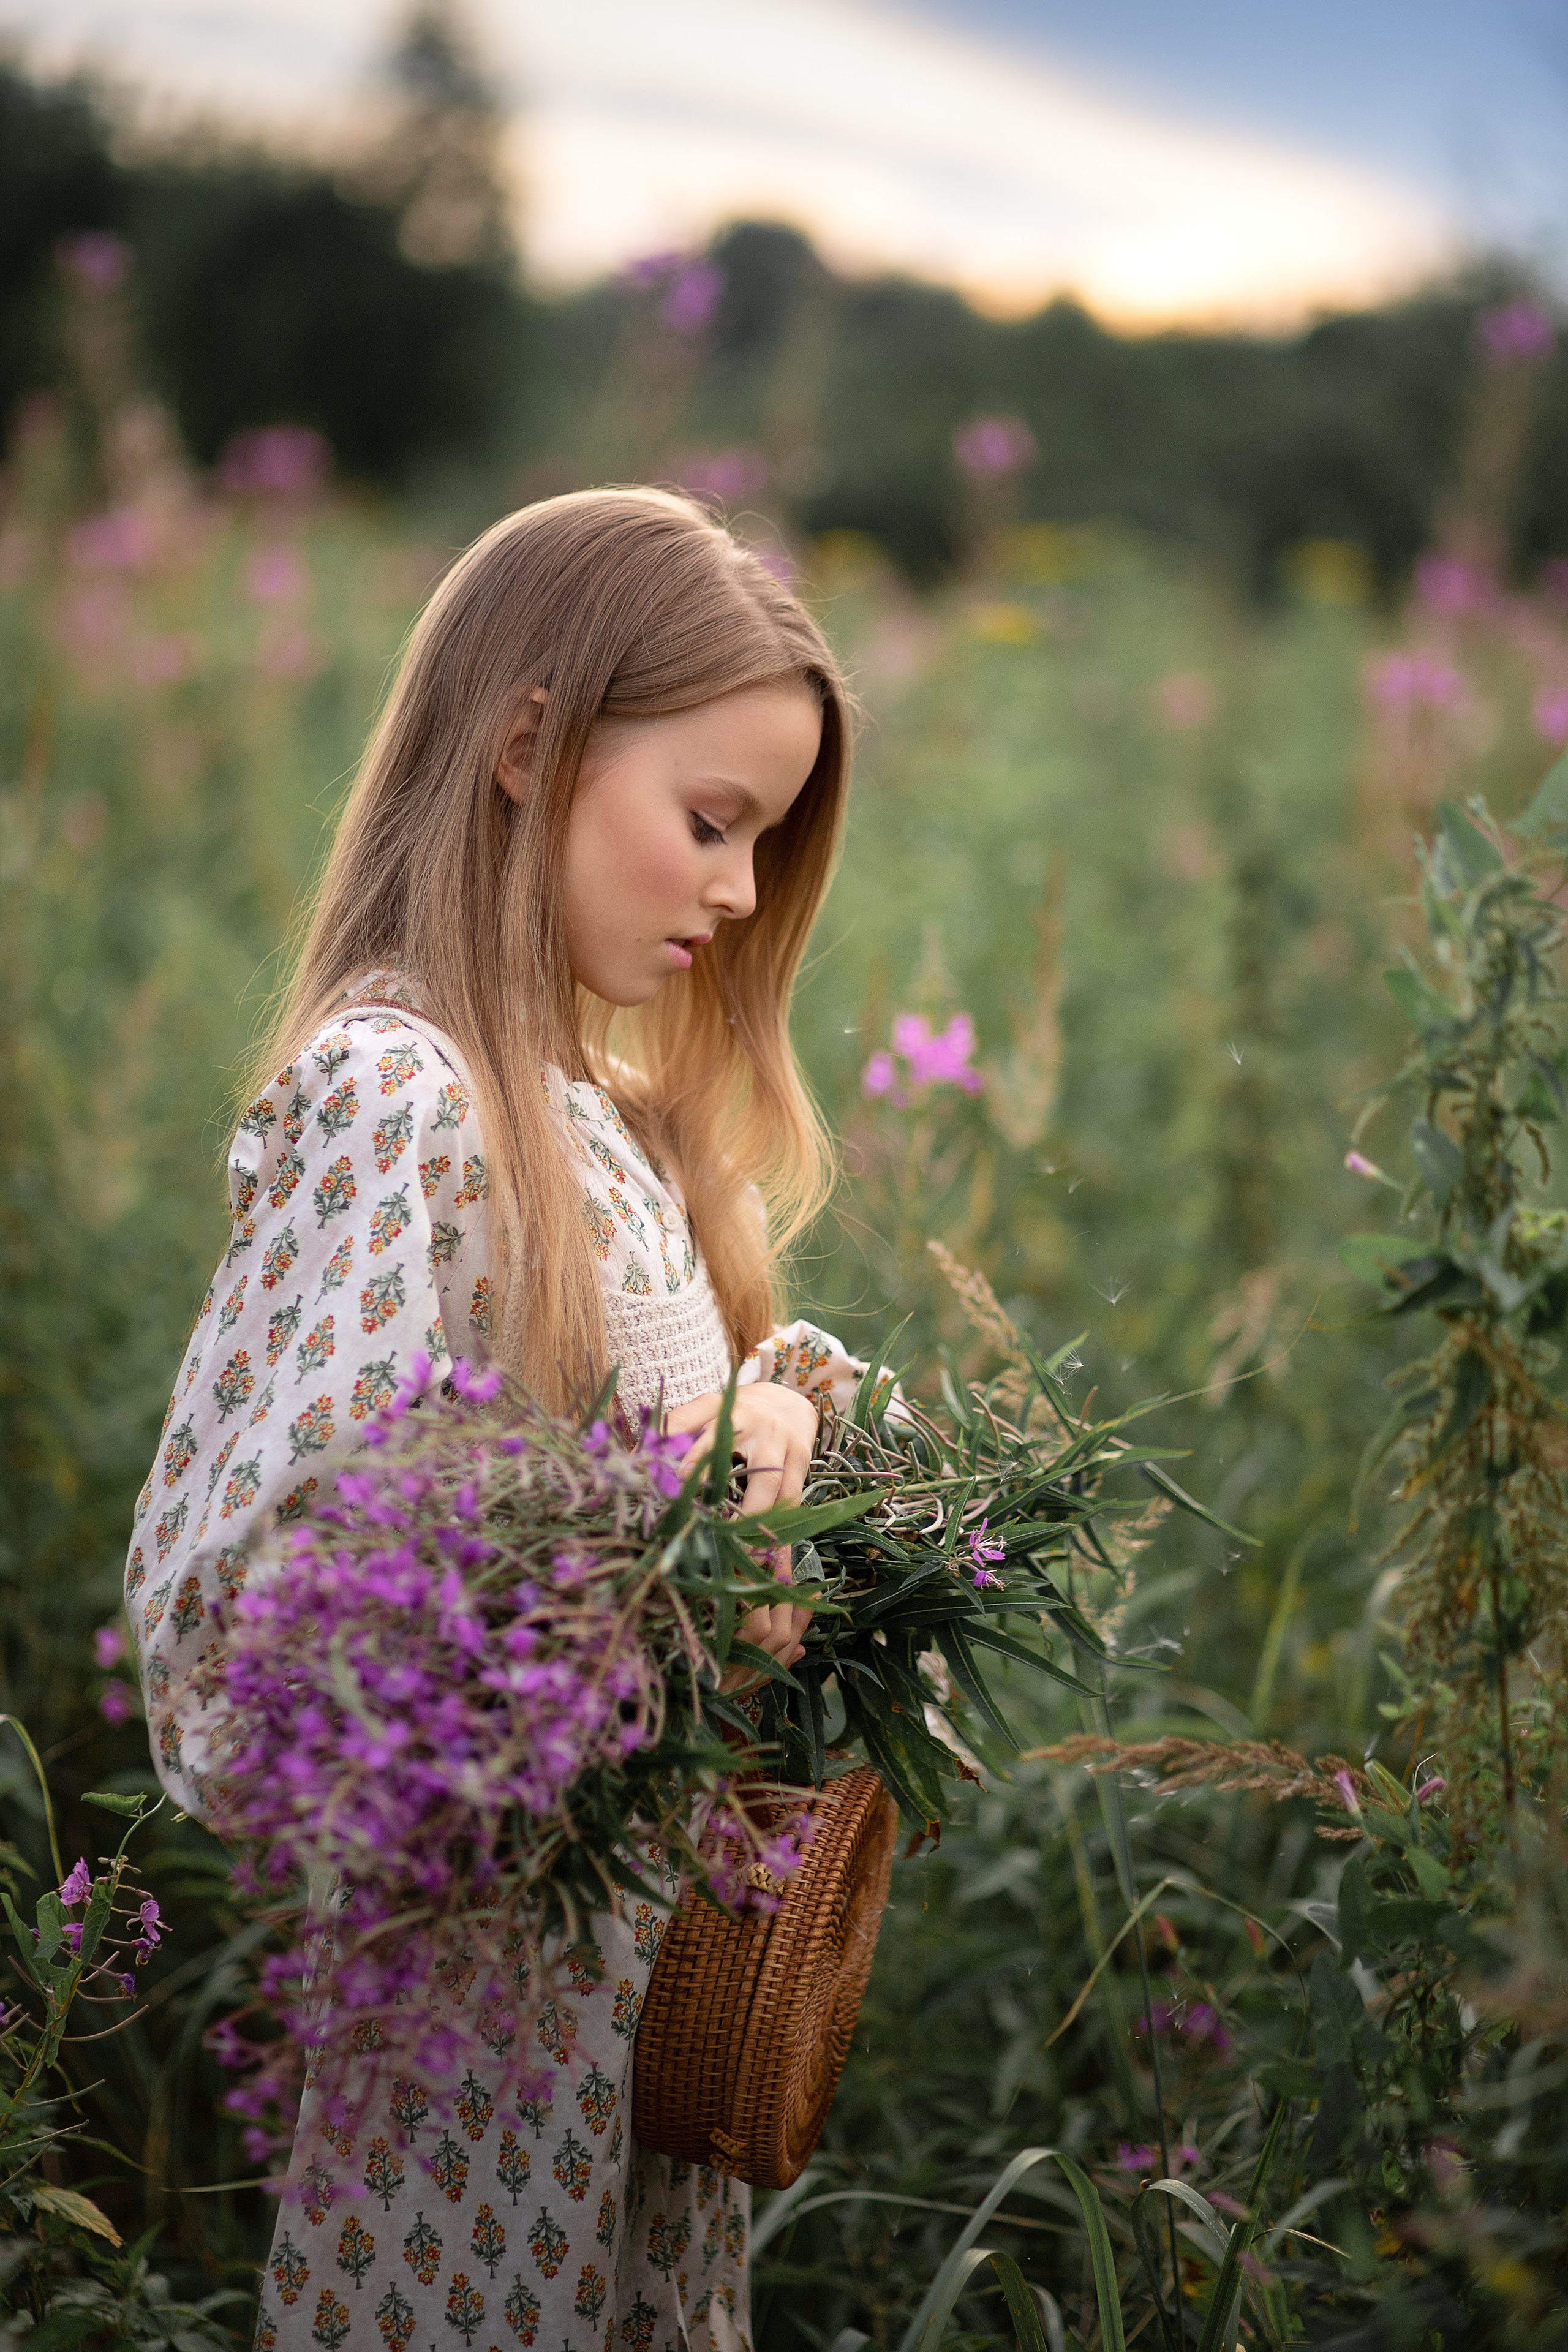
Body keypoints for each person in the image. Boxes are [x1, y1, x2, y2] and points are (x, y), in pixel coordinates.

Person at [125, 488, 870, 2352]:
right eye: (710, 823)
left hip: (640, 2033)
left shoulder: (603, 1115)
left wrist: (787, 1470)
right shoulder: (404, 1102)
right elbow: (251, 1634)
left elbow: (641, 1496)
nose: (739, 892)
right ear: (529, 746)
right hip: (477, 2067)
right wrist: (689, 1529)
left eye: (765, 844)